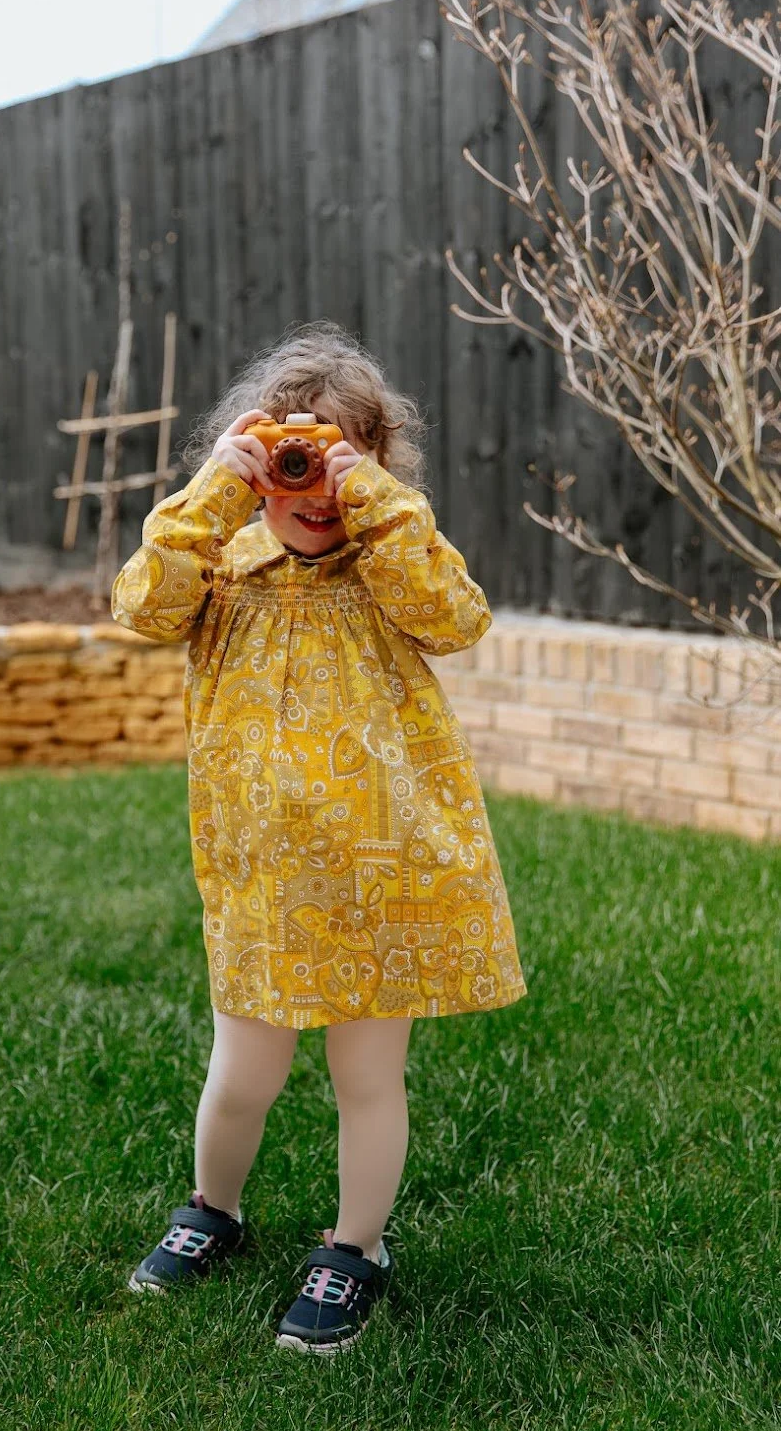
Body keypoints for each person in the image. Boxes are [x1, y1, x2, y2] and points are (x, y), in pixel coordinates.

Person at [111, 323, 526, 1354]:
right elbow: (141, 607)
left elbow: (459, 616)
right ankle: (215, 1208)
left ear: (378, 467)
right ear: (253, 464)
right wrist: (213, 489)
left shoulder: (391, 563)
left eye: (341, 456)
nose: (314, 480)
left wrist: (382, 505)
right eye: (290, 453)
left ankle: (356, 1247)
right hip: (263, 882)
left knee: (366, 1080)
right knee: (241, 1075)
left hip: (382, 881)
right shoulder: (222, 568)